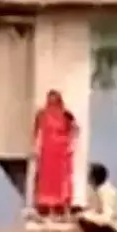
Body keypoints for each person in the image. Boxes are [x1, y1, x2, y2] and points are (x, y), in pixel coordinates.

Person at [31, 89, 78, 217]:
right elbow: (36, 131)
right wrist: (35, 147)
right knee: (47, 178)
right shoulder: (41, 114)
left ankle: (62, 206)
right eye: (50, 99)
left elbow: (75, 129)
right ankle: (47, 207)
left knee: (62, 179)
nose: (52, 102)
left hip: (61, 151)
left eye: (55, 99)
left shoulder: (66, 114)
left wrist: (71, 145)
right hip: (47, 150)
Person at [75, 163, 117, 232]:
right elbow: (95, 209)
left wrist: (87, 216)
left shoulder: (106, 192)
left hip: (113, 228)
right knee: (81, 217)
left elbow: (106, 218)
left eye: (90, 175)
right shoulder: (99, 191)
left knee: (84, 219)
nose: (88, 178)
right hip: (108, 225)